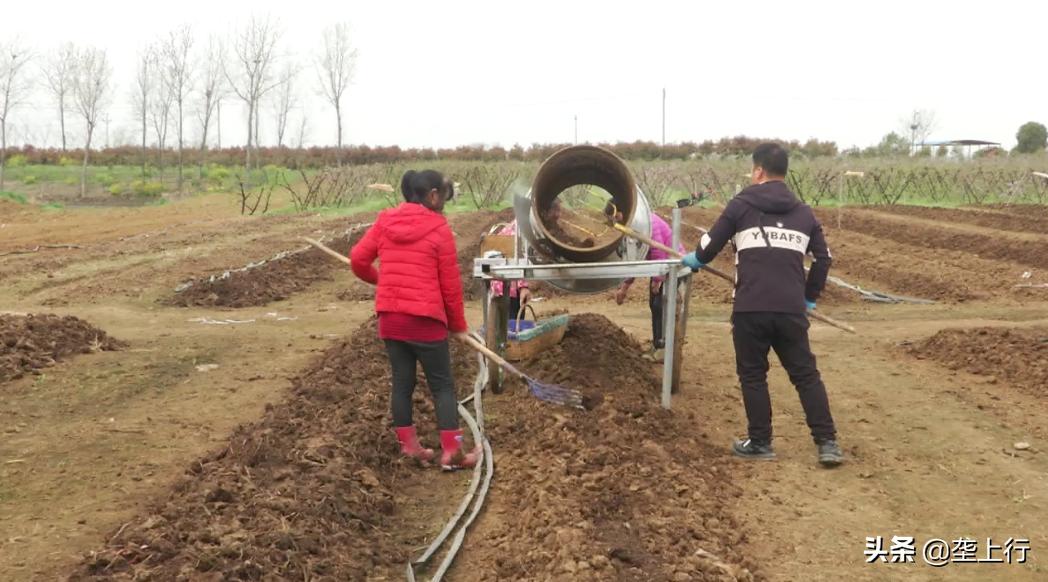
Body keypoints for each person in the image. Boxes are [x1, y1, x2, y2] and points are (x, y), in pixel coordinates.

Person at [681, 143, 843, 467]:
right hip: (790, 309)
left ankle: (760, 442)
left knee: (753, 375)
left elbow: (710, 245)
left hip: (750, 308)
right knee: (806, 375)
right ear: (784, 172)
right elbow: (824, 258)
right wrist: (809, 297)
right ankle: (827, 444)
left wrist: (694, 260)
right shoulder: (803, 212)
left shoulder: (741, 205)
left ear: (758, 171)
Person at [350, 169, 480, 471]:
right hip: (425, 321)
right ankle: (453, 452)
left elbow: (358, 260)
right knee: (443, 386)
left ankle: (409, 447)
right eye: (444, 195)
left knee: (402, 384)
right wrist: (458, 325)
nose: (446, 201)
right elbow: (450, 287)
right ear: (432, 195)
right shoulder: (438, 229)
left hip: (391, 320)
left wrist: (379, 279)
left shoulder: (385, 221)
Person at [608, 203, 684, 361]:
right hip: (660, 267)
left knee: (660, 305)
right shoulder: (632, 226)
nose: (616, 225)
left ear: (620, 213)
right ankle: (658, 345)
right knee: (654, 304)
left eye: (615, 220)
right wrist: (624, 288)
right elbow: (634, 259)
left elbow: (658, 250)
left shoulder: (649, 222)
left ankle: (663, 349)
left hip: (673, 265)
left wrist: (657, 280)